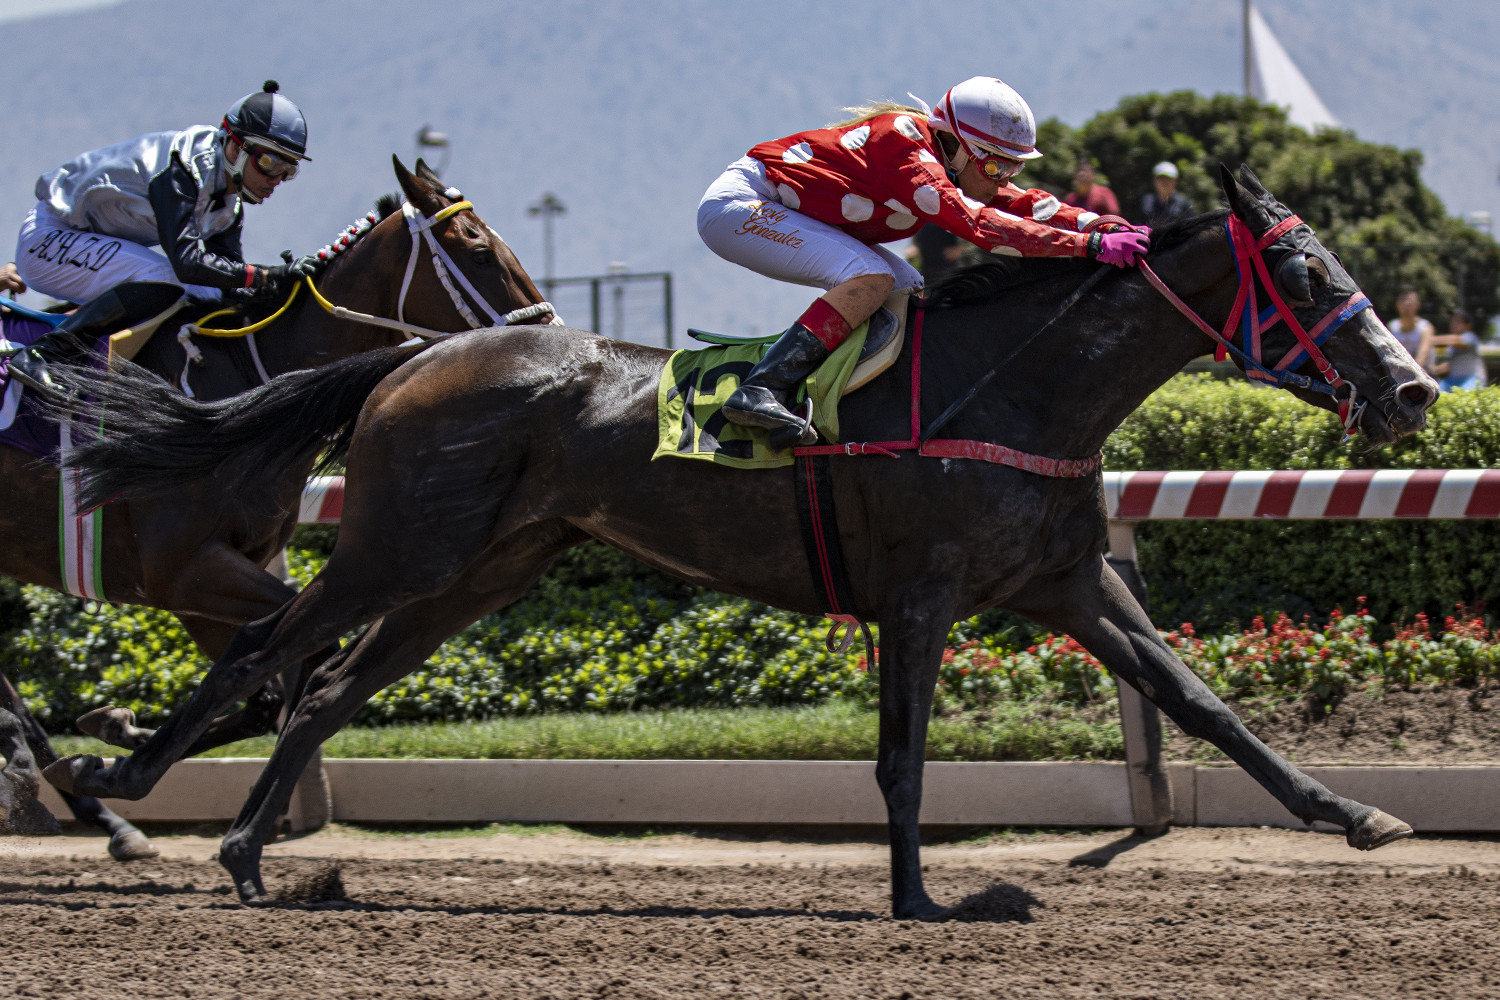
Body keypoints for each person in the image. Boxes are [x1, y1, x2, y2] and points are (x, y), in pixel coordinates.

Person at [697, 76, 1149, 448]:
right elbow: (983, 227)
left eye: (1014, 168)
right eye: (997, 168)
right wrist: (1087, 246)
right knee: (872, 277)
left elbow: (1022, 203)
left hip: (788, 209)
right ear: (957, 146)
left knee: (907, 291)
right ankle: (761, 388)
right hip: (743, 205)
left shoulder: (948, 160)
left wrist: (1099, 223)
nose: (1003, 180)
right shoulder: (907, 153)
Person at [3, 81, 315, 393]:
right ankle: (43, 354)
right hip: (47, 239)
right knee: (165, 278)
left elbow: (228, 281)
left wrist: (280, 286)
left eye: (289, 170)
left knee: (210, 295)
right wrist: (266, 275)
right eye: (270, 163)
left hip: (82, 243)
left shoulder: (228, 205)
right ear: (235, 148)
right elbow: (187, 264)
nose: (277, 180)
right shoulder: (182, 168)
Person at [1429, 308, 1487, 392]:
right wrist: (1432, 369)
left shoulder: (1470, 336)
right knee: (1436, 393)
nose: (1453, 324)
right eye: (1452, 321)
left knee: (1465, 394)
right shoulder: (1451, 346)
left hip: (1473, 379)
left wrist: (1427, 339)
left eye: (1457, 321)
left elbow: (1455, 340)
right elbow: (1449, 365)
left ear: (1468, 325)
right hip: (1452, 380)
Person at [1389, 285, 1435, 372]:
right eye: (1403, 300)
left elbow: (1423, 353)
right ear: (1397, 305)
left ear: (1417, 305)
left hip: (1423, 373)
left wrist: (1413, 372)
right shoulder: (1392, 327)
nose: (1406, 304)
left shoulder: (1425, 328)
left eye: (1410, 301)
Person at [1140, 161, 1194, 228]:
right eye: (1161, 178)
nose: (1164, 182)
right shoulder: (1147, 201)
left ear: (1176, 181)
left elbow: (1190, 228)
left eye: (1169, 178)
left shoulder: (1184, 203)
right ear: (1154, 180)